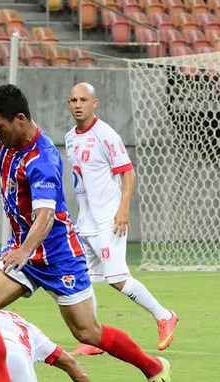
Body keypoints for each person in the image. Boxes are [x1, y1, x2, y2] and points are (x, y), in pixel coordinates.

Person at [0, 84, 174, 382]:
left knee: (87, 333)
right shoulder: (9, 138)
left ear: (20, 119)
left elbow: (46, 215)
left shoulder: (43, 160)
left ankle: (154, 369)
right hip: (21, 251)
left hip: (56, 256)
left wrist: (26, 248)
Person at [64, 83, 178, 357]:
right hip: (86, 222)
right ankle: (93, 339)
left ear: (95, 103)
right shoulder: (69, 137)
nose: (77, 104)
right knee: (84, 280)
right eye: (73, 100)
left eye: (83, 99)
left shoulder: (106, 135)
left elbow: (128, 173)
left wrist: (123, 209)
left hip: (109, 219)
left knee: (117, 279)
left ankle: (164, 316)